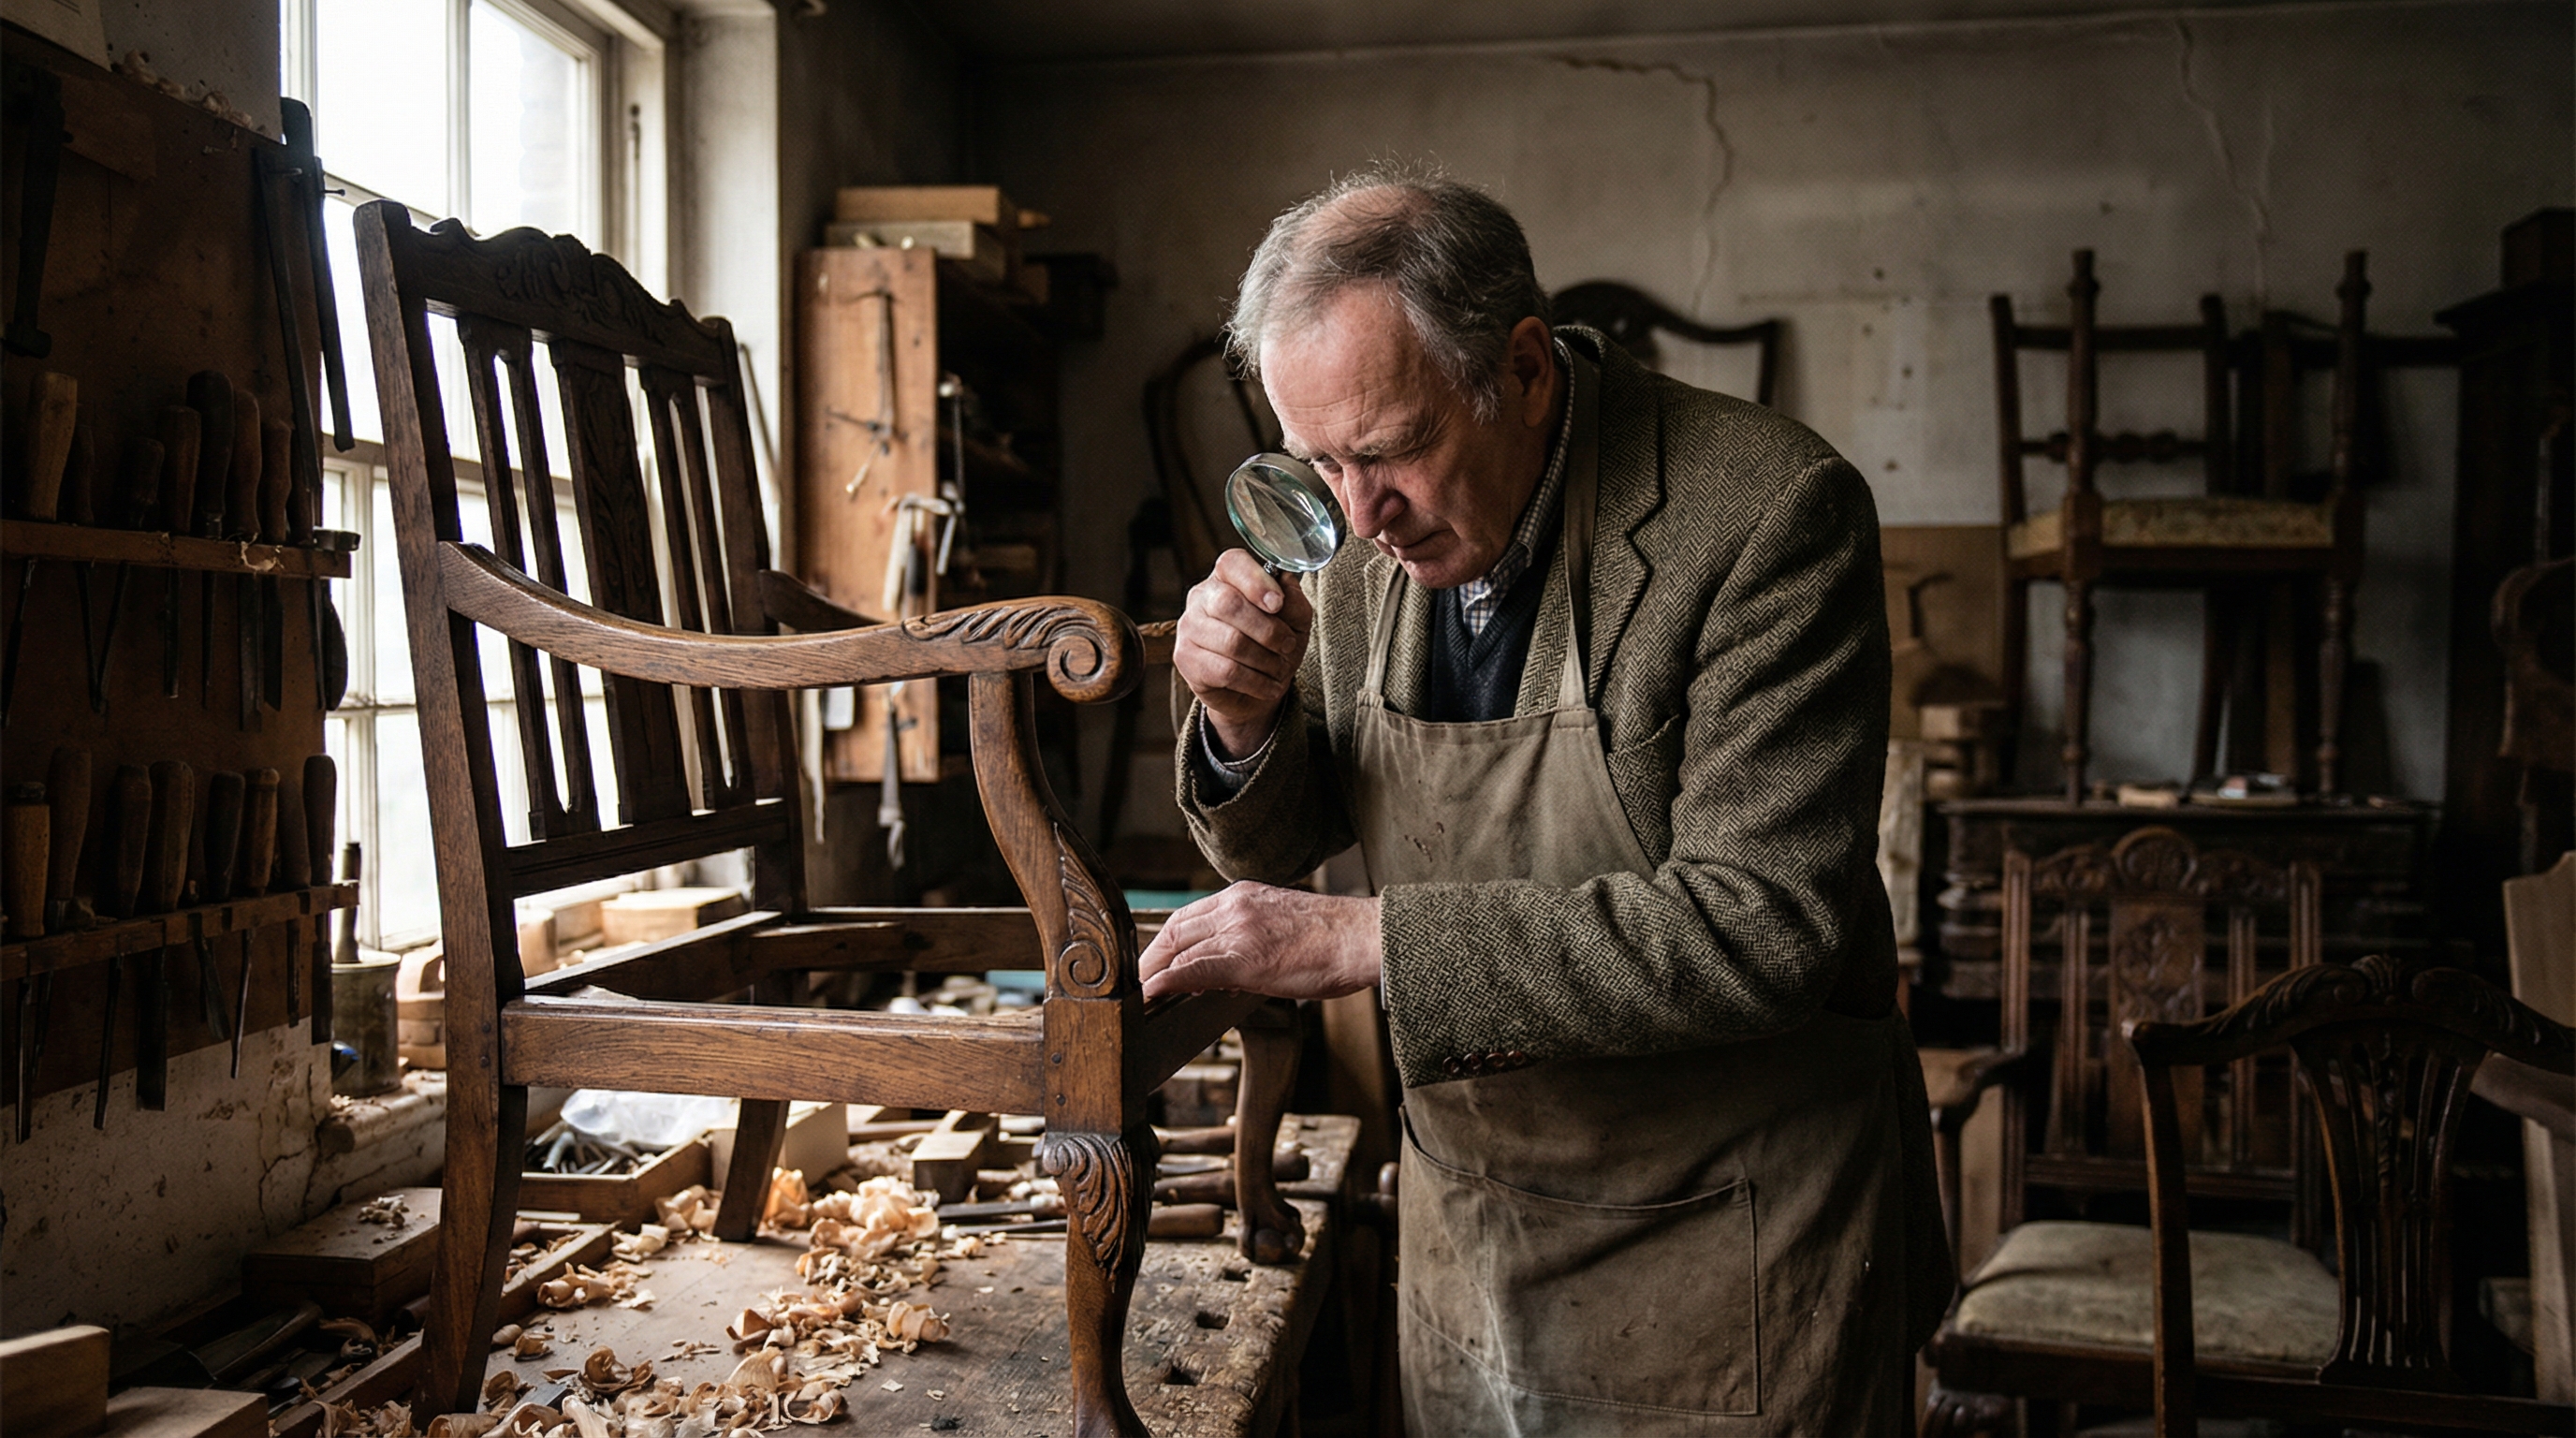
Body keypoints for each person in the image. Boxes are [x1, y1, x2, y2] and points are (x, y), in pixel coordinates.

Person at [1136, 164, 1954, 1435]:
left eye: (1395, 450)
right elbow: (1299, 835)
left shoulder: (1769, 518)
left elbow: (1759, 931)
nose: (1361, 514)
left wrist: (1367, 940)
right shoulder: (1358, 547)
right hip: (1483, 1225)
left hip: (1737, 1238)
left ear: (1520, 370)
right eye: (1319, 463)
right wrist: (1240, 720)